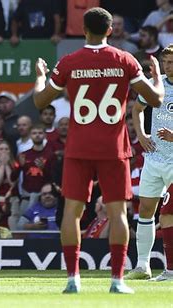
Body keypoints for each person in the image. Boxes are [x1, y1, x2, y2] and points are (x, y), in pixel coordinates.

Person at [33, 7, 164, 294]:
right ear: (109, 30)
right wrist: (156, 78)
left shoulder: (69, 62)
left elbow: (41, 101)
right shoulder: (125, 60)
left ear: (84, 30)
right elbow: (155, 99)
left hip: (78, 148)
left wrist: (41, 76)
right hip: (113, 149)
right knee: (118, 213)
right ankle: (117, 280)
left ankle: (72, 279)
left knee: (73, 212)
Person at [125, 45, 173, 281]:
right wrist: (142, 135)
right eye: (166, 62)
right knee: (146, 210)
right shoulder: (157, 84)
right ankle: (142, 265)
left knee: (169, 214)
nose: (168, 66)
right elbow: (137, 109)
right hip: (154, 157)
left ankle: (171, 268)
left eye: (172, 62)